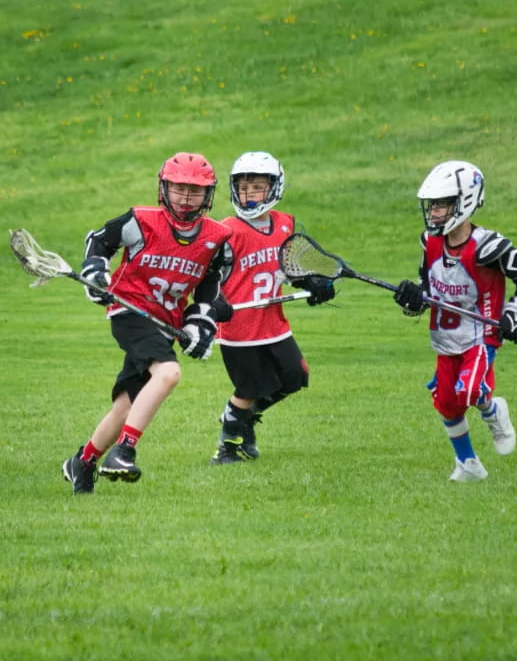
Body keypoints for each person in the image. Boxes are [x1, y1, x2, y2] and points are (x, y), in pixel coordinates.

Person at [61, 152, 234, 494]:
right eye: (178, 189)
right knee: (168, 373)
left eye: (195, 191)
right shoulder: (140, 221)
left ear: (208, 195)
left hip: (165, 323)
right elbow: (99, 240)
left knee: (126, 406)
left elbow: (208, 295)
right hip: (130, 311)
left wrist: (200, 325)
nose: (186, 198)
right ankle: (123, 451)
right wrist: (96, 270)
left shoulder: (217, 240)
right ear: (163, 189)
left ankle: (83, 461)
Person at [392, 160, 517, 482]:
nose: (434, 212)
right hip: (445, 338)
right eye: (432, 206)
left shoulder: (490, 246)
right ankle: (468, 463)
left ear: (465, 202)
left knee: (469, 391)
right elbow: (427, 288)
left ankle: (493, 411)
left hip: (480, 334)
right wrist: (413, 299)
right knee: (447, 403)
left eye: (442, 205)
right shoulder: (428, 242)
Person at [210, 152, 336, 465]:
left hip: (274, 323)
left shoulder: (286, 225)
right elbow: (208, 277)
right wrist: (214, 302)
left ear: (274, 188)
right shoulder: (227, 231)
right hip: (239, 328)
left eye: (257, 187)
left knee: (295, 377)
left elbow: (292, 268)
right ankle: (227, 447)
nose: (249, 193)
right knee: (250, 387)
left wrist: (314, 284)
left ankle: (244, 418)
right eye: (243, 186)